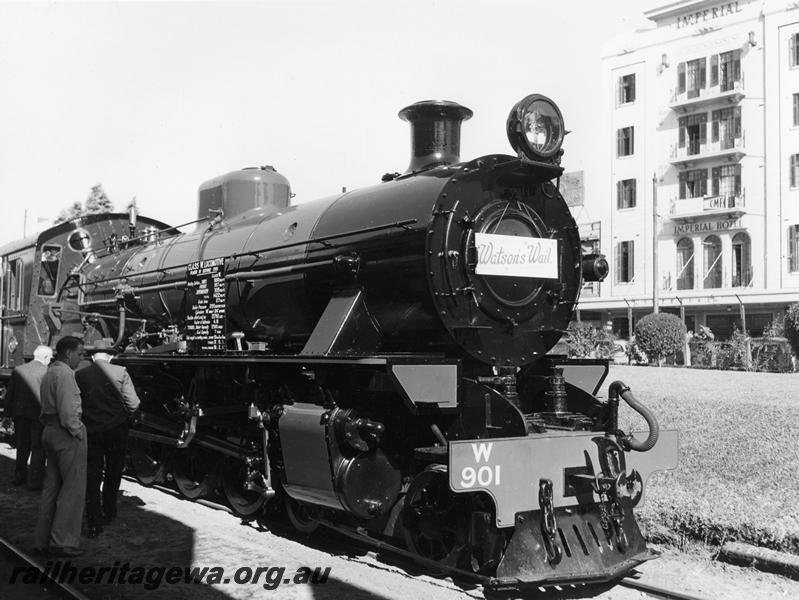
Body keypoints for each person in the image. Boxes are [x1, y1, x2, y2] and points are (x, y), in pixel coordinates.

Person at [76, 338, 140, 538]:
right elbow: (134, 403)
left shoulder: (81, 375)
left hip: (91, 430)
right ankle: (109, 511)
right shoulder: (120, 372)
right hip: (116, 430)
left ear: (93, 356)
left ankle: (93, 522)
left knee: (92, 475)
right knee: (114, 471)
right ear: (111, 356)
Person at [33, 336, 86, 557]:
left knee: (51, 488)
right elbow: (67, 412)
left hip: (49, 431)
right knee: (72, 490)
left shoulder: (50, 372)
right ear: (68, 354)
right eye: (80, 354)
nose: (82, 358)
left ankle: (41, 540)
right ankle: (63, 542)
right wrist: (77, 432)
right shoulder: (65, 374)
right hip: (65, 434)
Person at [6, 345, 53, 489]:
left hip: (20, 415)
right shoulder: (47, 371)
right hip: (39, 416)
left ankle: (19, 477)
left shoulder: (19, 370)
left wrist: (8, 414)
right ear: (45, 357)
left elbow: (10, 395)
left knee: (22, 446)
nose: (50, 361)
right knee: (38, 447)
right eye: (50, 358)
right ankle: (34, 482)